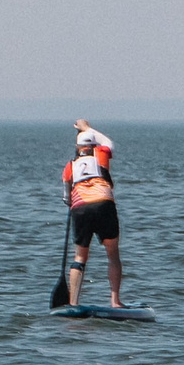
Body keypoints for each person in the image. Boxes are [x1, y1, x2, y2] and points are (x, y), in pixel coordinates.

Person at [62, 122, 127, 310]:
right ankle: (115, 301)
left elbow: (66, 198)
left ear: (78, 148)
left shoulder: (70, 166)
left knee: (80, 257)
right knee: (113, 254)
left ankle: (73, 302)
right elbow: (108, 143)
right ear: (93, 146)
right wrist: (87, 128)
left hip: (80, 208)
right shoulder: (101, 154)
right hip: (104, 203)